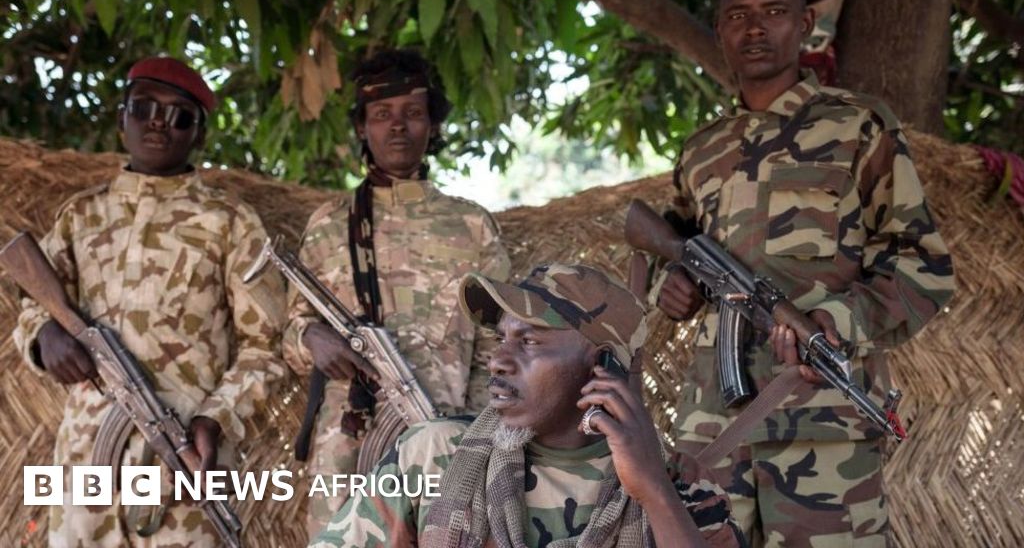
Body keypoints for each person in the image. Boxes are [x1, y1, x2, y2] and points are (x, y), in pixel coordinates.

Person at [652, 0, 956, 545]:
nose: (755, 28)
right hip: (712, 429)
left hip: (822, 431)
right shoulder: (701, 149)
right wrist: (671, 284)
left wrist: (835, 321)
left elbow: (924, 267)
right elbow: (674, 242)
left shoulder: (858, 126)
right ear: (719, 31)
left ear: (805, 23)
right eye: (738, 15)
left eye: (774, 11)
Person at [12, 56, 288, 546]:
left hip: (182, 465)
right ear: (122, 120)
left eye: (179, 116)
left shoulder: (230, 222)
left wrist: (215, 418)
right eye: (144, 108)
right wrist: (44, 334)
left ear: (199, 136)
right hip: (86, 462)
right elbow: (33, 302)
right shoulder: (81, 216)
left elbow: (266, 347)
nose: (159, 122)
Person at [310, 263, 744, 547]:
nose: (498, 359)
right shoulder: (433, 454)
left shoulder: (683, 489)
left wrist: (653, 490)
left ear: (602, 366)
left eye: (530, 341)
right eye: (501, 338)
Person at [282, 48, 511, 535]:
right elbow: (292, 331)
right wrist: (310, 338)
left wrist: (472, 433)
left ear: (433, 125)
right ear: (362, 127)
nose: (398, 126)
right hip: (347, 449)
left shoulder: (471, 225)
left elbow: (500, 343)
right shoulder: (329, 225)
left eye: (413, 113)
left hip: (447, 442)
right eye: (382, 114)